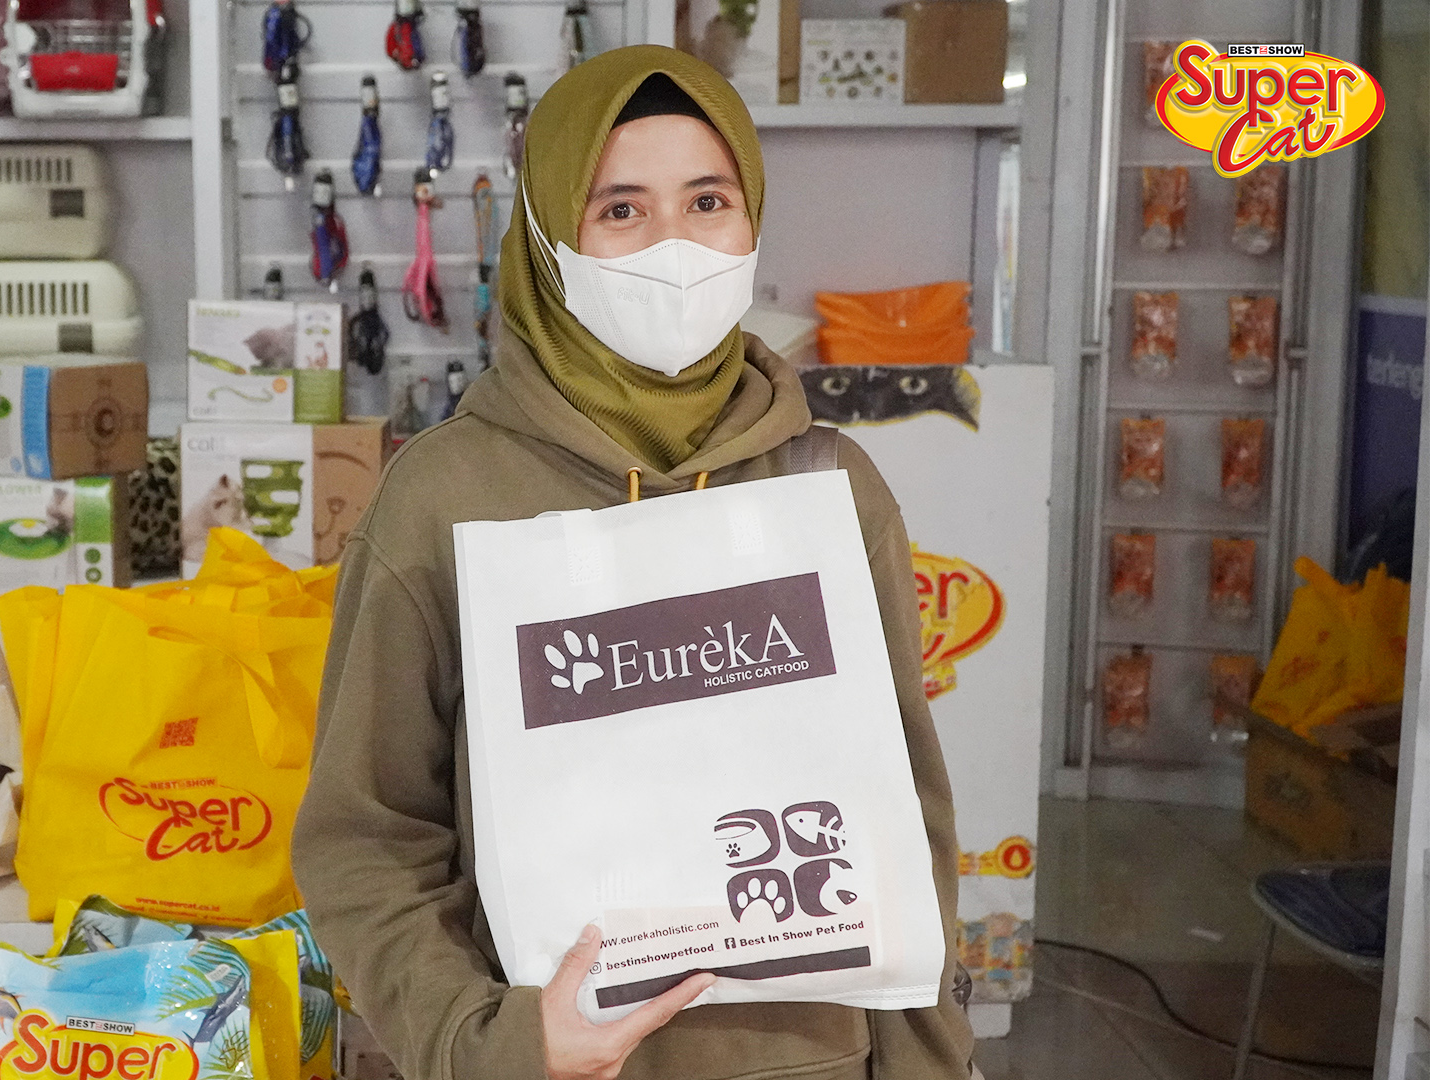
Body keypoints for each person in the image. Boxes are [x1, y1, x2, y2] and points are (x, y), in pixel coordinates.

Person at [292, 45, 977, 1080]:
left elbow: (906, 828)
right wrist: (487, 1042)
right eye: (621, 210)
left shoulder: (832, 485)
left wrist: (930, 1066)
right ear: (549, 238)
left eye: (708, 201)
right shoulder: (444, 498)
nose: (675, 247)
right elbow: (366, 837)